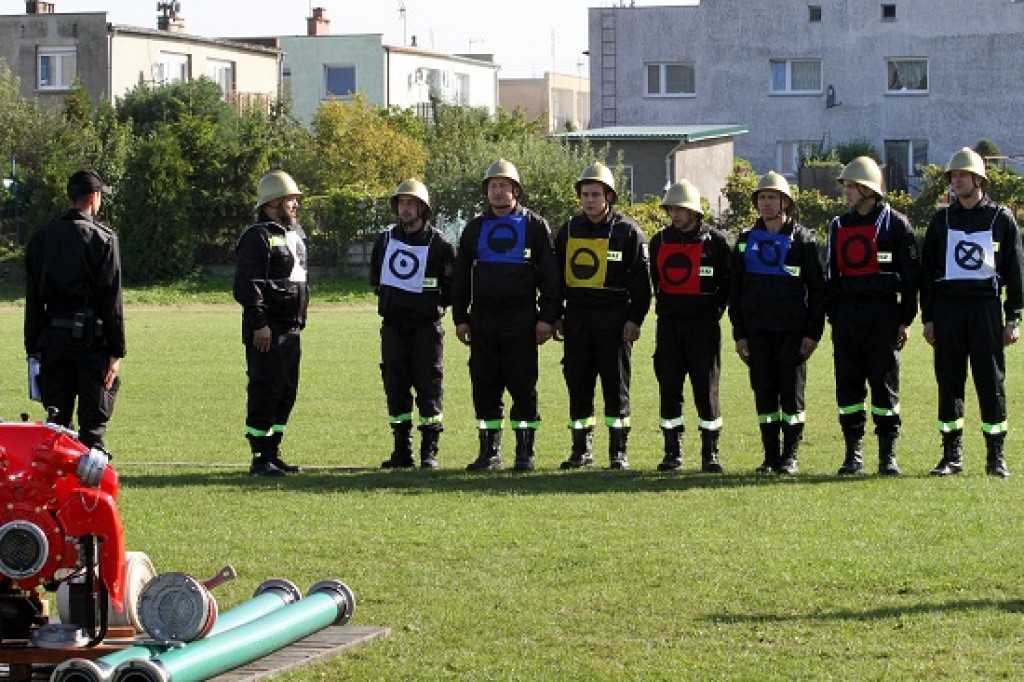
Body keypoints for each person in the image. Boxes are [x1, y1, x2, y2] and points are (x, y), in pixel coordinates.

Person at [451, 159, 561, 471]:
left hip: (521, 318)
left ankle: (525, 453)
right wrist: (461, 318)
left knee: (523, 385)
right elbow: (461, 278)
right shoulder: (474, 228)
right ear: (486, 191)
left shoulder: (534, 225)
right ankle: (489, 453)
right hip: (483, 320)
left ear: (516, 191)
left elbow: (550, 277)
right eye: (493, 186)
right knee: (484, 385)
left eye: (504, 186)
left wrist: (546, 317)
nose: (498, 191)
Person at [920, 147, 1023, 478]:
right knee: (949, 382)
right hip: (948, 311)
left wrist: (1013, 318)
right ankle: (951, 455)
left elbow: (1016, 272)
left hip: (985, 311)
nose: (957, 180)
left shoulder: (1001, 219)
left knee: (991, 382)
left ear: (979, 180)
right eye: (953, 176)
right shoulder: (942, 220)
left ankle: (996, 457)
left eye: (963, 175)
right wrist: (928, 318)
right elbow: (927, 273)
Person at [825, 157, 919, 476]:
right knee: (848, 387)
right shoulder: (838, 226)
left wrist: (905, 320)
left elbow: (911, 279)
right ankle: (853, 455)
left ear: (869, 189)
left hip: (883, 315)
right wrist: (835, 316)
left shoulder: (896, 225)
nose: (847, 192)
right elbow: (830, 277)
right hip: (847, 316)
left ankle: (887, 455)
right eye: (846, 186)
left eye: (852, 187)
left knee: (884, 385)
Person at [554, 162, 651, 470]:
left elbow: (642, 283)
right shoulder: (569, 230)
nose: (589, 200)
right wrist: (556, 314)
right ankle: (580, 449)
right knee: (578, 383)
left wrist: (635, 319)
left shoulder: (628, 231)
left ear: (609, 196)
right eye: (585, 194)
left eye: (596, 194)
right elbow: (554, 279)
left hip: (614, 319)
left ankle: (618, 451)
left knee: (615, 385)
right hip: (577, 319)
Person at [729, 171, 825, 475]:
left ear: (785, 202)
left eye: (772, 197)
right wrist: (739, 334)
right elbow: (735, 290)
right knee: (765, 395)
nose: (766, 203)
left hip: (792, 332)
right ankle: (770, 456)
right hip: (757, 332)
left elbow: (818, 291)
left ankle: (790, 456)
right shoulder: (745, 240)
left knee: (791, 395)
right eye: (762, 197)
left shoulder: (804, 240)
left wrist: (813, 333)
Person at [24, 170, 125, 450]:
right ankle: (90, 477)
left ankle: (56, 477)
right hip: (93, 342)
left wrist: (33, 347)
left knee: (57, 426)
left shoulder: (41, 237)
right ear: (93, 197)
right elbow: (112, 302)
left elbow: (33, 299)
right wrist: (116, 352)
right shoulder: (103, 239)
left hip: (53, 339)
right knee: (92, 428)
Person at [372, 179, 456, 470]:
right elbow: (376, 280)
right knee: (395, 386)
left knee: (429, 386)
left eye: (411, 203)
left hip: (426, 329)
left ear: (422, 208)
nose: (405, 209)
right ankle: (402, 450)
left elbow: (451, 285)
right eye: (401, 203)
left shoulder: (440, 244)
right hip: (393, 327)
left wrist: (432, 306)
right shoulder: (384, 241)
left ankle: (429, 451)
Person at [648, 180, 730, 473]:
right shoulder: (659, 241)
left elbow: (726, 284)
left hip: (703, 328)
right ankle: (672, 451)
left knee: (706, 389)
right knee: (669, 387)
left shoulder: (717, 242)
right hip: (669, 326)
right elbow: (656, 280)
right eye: (671, 209)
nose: (675, 214)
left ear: (694, 211)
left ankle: (710, 453)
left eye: (680, 209)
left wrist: (712, 311)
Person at [234, 170, 309, 477]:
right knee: (266, 389)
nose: (296, 205)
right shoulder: (257, 236)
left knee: (286, 391)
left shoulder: (295, 234)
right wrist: (259, 323)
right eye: (290, 200)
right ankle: (259, 456)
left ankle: (273, 451)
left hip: (291, 328)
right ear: (273, 202)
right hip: (268, 329)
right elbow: (247, 284)